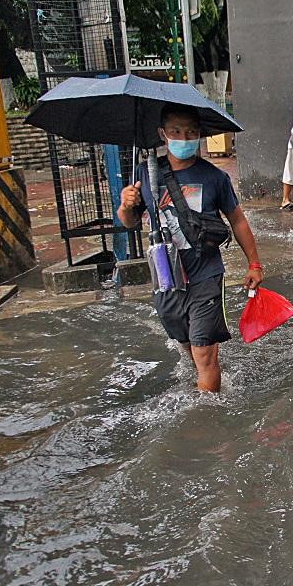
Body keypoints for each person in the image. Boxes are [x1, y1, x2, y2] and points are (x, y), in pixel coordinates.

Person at [117, 103, 263, 393]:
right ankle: (203, 375)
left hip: (205, 275)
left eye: (191, 132)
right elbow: (129, 222)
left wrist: (254, 264)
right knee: (186, 344)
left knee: (204, 353)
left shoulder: (214, 178)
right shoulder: (146, 174)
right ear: (163, 134)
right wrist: (126, 204)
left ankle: (206, 419)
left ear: (200, 136)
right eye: (176, 132)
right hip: (166, 277)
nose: (184, 138)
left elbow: (238, 220)